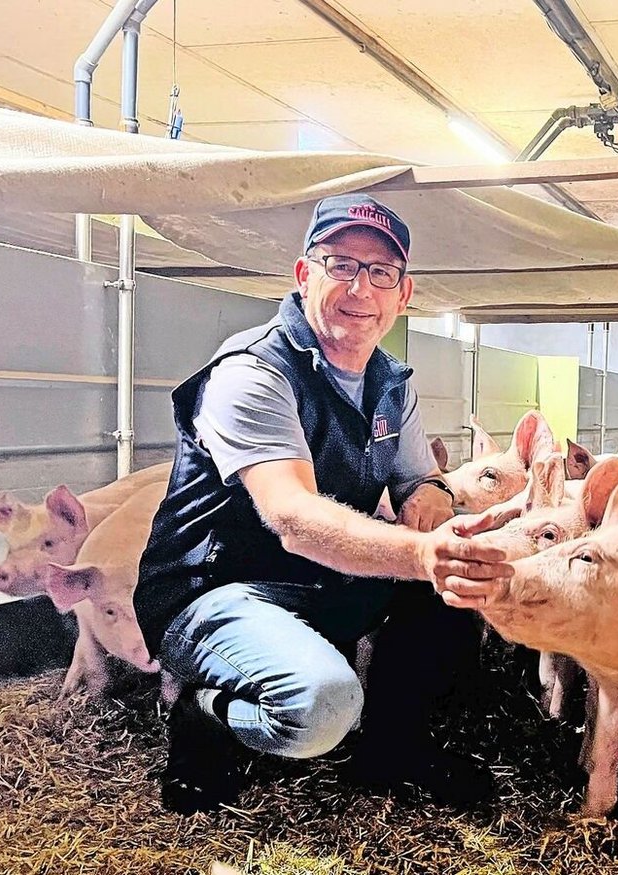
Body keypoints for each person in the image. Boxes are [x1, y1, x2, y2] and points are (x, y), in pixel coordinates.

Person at [133, 194, 514, 815]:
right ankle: (206, 715)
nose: (360, 288)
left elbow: (423, 478)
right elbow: (294, 518)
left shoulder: (391, 383)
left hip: (326, 581)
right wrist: (422, 552)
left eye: (380, 273)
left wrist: (431, 498)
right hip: (218, 589)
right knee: (321, 707)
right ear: (303, 274)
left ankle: (393, 750)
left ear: (403, 293)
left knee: (443, 599)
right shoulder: (255, 371)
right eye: (341, 265)